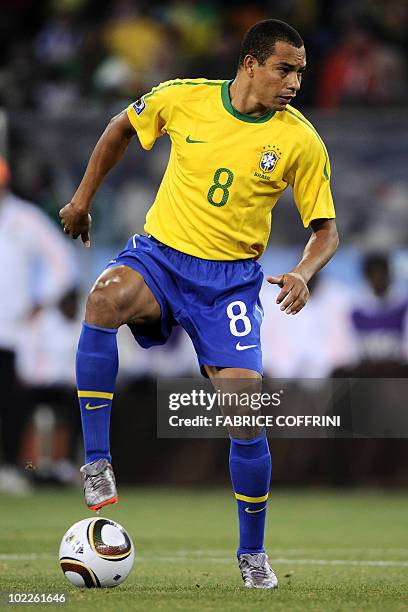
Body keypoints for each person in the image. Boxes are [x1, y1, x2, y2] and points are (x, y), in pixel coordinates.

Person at [59, 19, 339, 589]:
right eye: (285, 69)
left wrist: (305, 273)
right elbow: (118, 129)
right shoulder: (182, 98)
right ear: (251, 64)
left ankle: (252, 555)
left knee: (244, 409)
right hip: (161, 259)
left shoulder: (300, 139)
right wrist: (82, 201)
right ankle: (96, 463)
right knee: (104, 299)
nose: (293, 82)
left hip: (231, 284)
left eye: (301, 73)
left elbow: (326, 232)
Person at [0, 156, 76, 494]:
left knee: (11, 401)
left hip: (12, 330)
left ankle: (11, 466)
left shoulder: (25, 220)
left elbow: (63, 261)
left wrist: (40, 301)